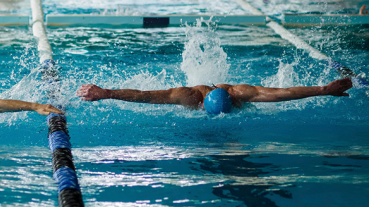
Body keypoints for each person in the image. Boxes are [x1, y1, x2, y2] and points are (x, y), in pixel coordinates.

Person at [77, 78, 353, 114]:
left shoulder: (239, 93)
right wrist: (107, 93)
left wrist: (322, 90)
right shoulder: (186, 96)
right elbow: (145, 96)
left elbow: (282, 93)